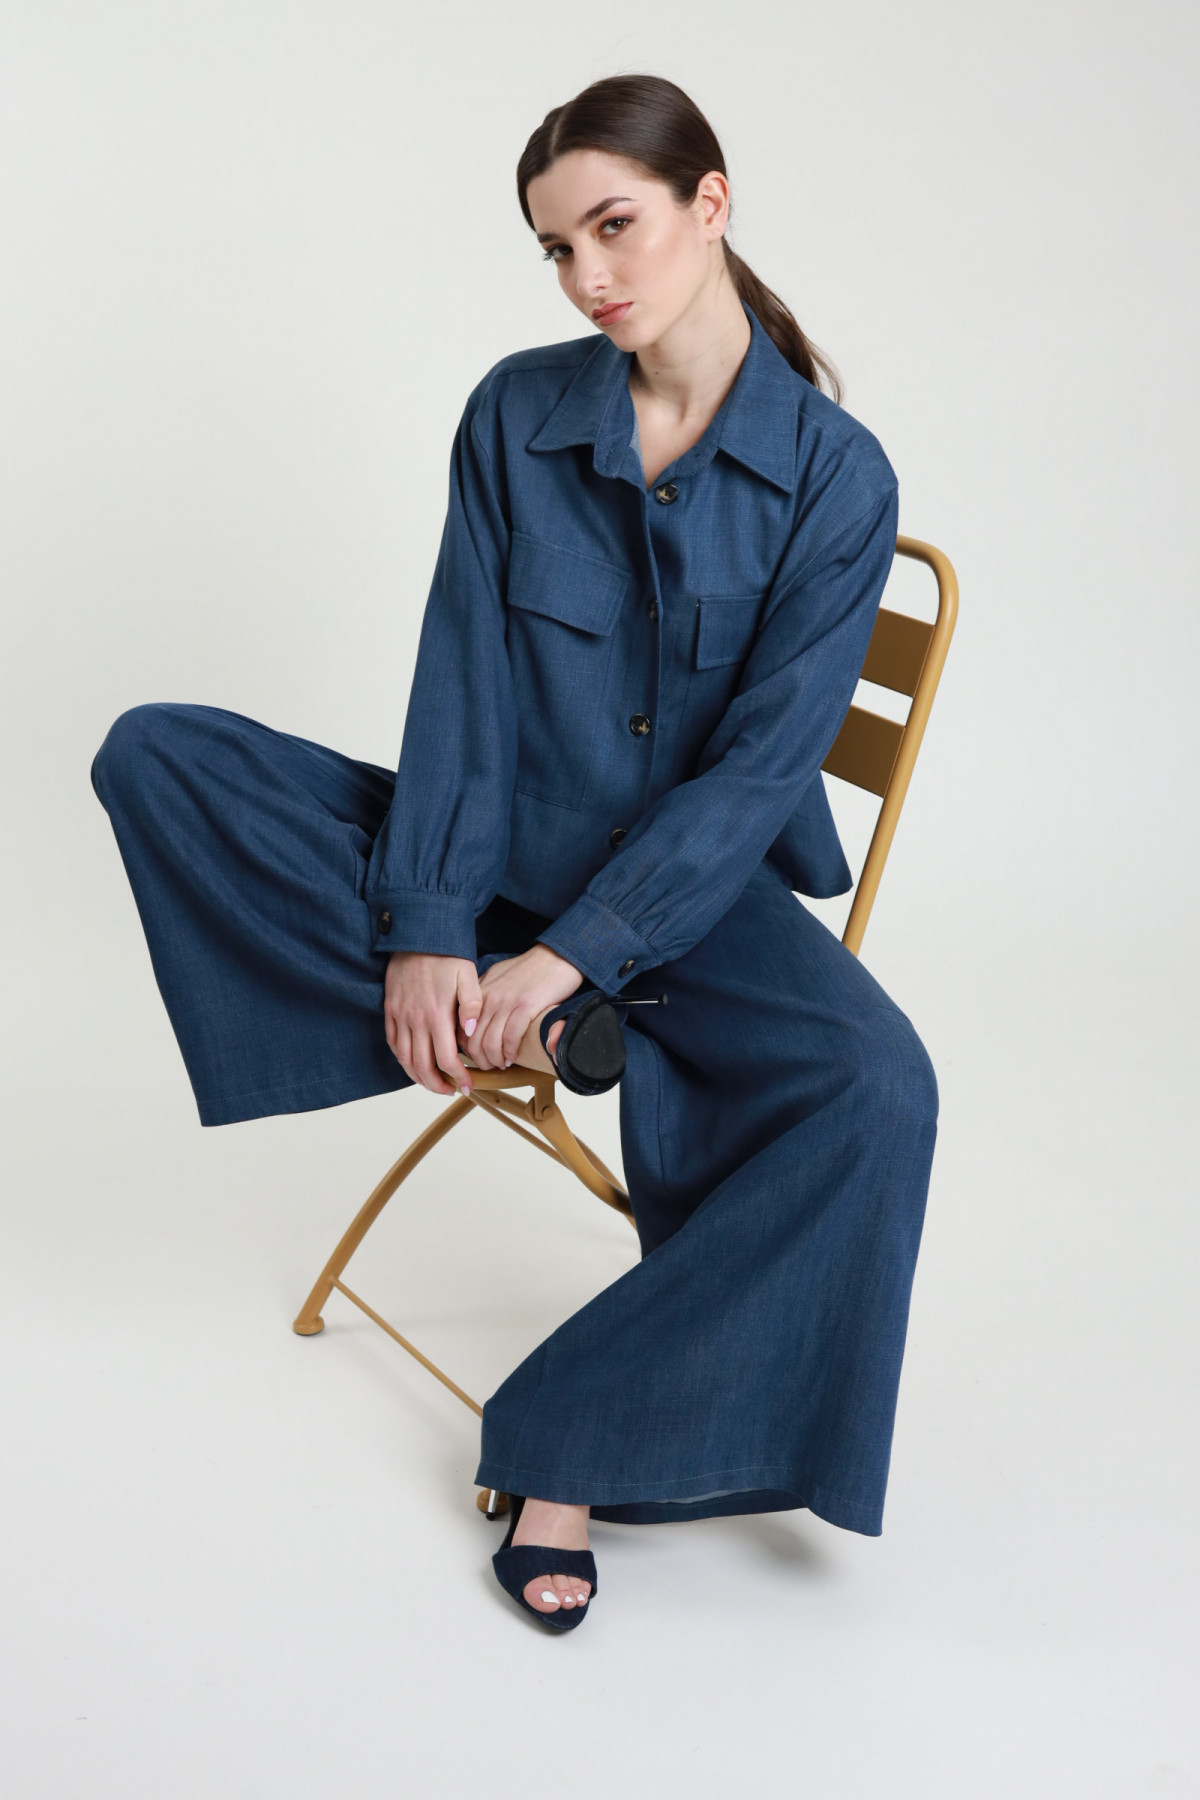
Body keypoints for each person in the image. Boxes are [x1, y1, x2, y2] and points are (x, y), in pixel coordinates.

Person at [90, 72, 939, 1633]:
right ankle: (512, 1016)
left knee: (880, 1088)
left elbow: (757, 774)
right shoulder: (515, 413)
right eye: (556, 248)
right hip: (494, 853)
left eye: (613, 227)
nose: (587, 276)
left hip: (683, 903)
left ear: (710, 204)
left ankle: (573, 1439)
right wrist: (430, 924)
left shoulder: (838, 476)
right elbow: (462, 690)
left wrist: (576, 950)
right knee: (159, 755)